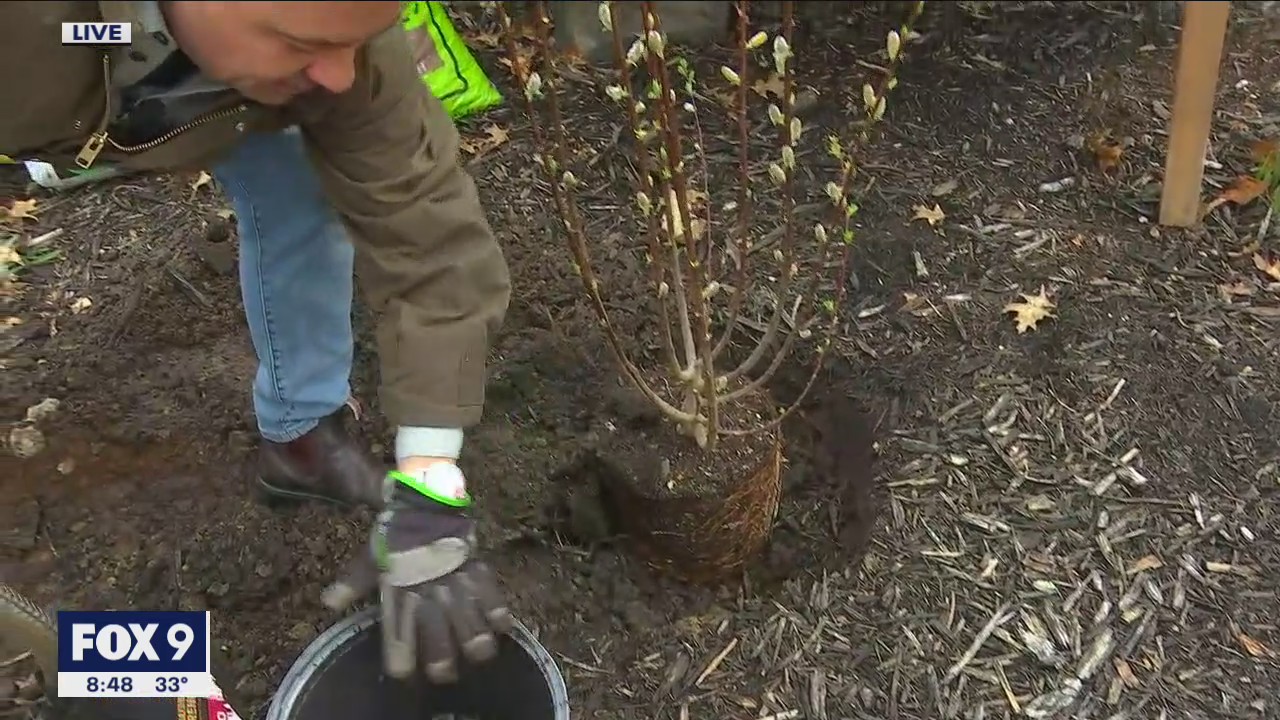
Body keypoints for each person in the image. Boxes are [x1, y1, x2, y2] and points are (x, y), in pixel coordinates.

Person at [0, 1, 515, 685]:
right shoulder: (32, 31)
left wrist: (430, 482)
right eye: (305, 40)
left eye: (351, 45)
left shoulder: (342, 45)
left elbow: (430, 238)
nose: (339, 73)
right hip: (50, 84)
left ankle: (302, 436)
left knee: (306, 178)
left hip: (232, 97)